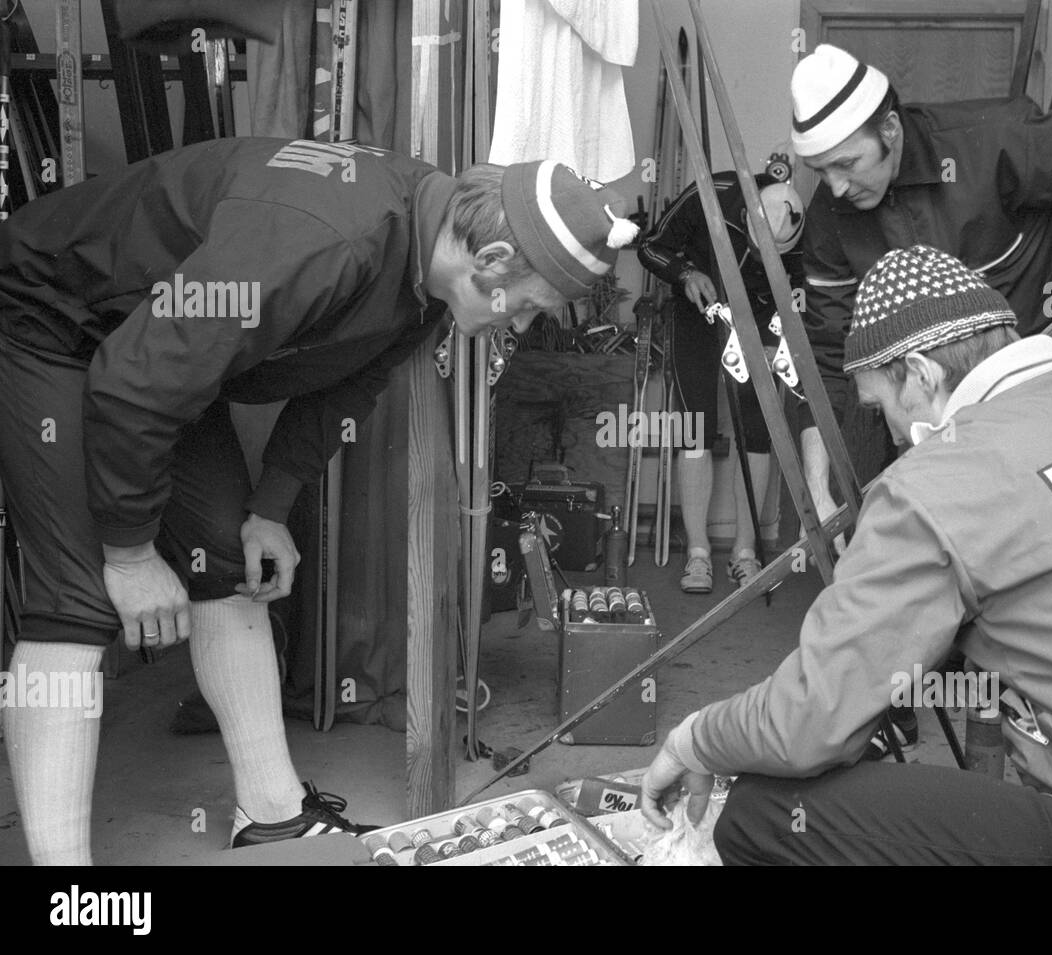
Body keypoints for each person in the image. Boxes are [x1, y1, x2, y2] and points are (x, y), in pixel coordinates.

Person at [0, 137, 636, 865]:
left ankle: (271, 818)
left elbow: (345, 386)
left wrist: (270, 506)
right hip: (52, 319)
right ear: (491, 263)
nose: (517, 328)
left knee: (227, 552)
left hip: (154, 347)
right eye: (527, 308)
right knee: (78, 595)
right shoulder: (328, 242)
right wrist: (130, 551)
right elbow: (132, 383)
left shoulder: (427, 258)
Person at [640, 245, 1052, 865]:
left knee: (762, 813)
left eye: (881, 410)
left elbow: (810, 720)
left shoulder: (942, 477)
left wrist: (696, 736)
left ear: (923, 376)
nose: (892, 435)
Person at [787, 44, 1052, 541]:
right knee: (949, 509)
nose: (835, 188)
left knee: (1050, 499)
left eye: (847, 164)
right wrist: (820, 489)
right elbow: (827, 354)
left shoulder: (990, 138)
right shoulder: (831, 215)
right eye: (821, 171)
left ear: (889, 130)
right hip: (946, 378)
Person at [638, 174, 804, 593]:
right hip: (698, 311)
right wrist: (685, 272)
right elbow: (649, 247)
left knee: (758, 429)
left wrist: (779, 347)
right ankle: (697, 555)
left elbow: (804, 301)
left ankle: (744, 554)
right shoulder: (708, 195)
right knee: (696, 428)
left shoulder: (803, 231)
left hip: (760, 318)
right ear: (746, 216)